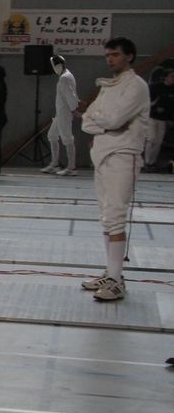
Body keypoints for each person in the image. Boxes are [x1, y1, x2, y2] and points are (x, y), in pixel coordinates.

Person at [78, 37, 150, 302]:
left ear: (129, 56)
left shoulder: (137, 86)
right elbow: (88, 121)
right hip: (101, 155)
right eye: (108, 55)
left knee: (116, 216)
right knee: (106, 217)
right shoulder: (108, 87)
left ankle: (117, 280)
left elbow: (116, 119)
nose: (110, 59)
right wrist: (105, 124)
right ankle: (111, 272)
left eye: (115, 55)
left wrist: (106, 122)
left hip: (124, 155)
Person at [41, 54, 80, 175]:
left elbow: (70, 96)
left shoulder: (64, 78)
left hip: (65, 112)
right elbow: (72, 94)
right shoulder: (66, 75)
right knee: (52, 135)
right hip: (61, 112)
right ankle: (54, 164)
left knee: (67, 138)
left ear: (57, 65)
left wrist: (74, 109)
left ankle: (72, 167)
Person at [143, 67, 174, 172]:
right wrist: (155, 106)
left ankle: (152, 163)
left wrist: (170, 119)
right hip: (151, 117)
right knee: (151, 139)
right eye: (172, 77)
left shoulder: (172, 90)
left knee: (158, 142)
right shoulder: (154, 87)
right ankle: (147, 162)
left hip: (163, 119)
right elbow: (145, 102)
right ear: (165, 78)